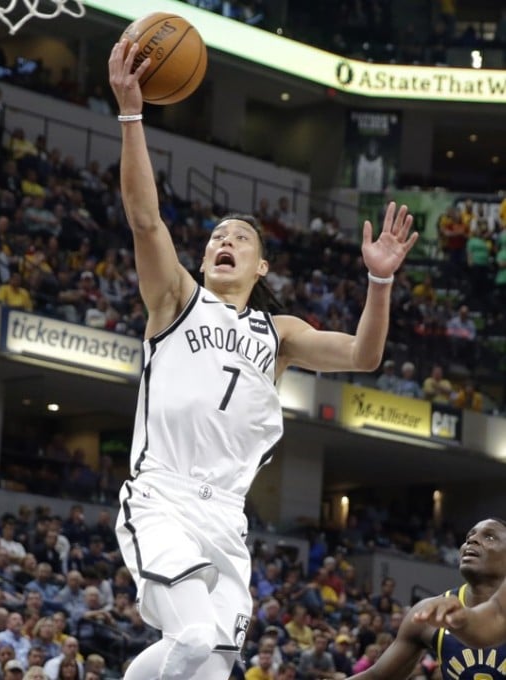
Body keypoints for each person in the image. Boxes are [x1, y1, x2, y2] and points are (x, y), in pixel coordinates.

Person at [107, 39, 418, 680]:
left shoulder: (280, 333)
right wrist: (132, 114)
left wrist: (380, 283)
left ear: (261, 265)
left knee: (215, 665)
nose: (225, 242)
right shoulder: (175, 299)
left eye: (240, 239)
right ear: (202, 259)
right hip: (162, 494)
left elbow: (363, 355)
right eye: (217, 237)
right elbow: (144, 219)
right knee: (191, 636)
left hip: (226, 513)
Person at [346, 518, 506, 678]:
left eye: (489, 537)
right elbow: (377, 676)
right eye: (468, 537)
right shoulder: (428, 612)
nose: (472, 540)